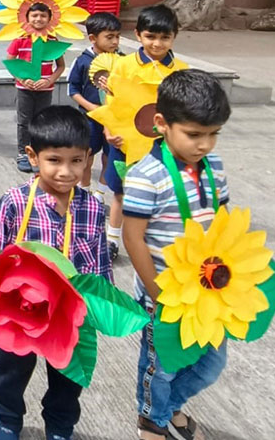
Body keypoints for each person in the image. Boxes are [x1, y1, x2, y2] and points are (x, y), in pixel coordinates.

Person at [0, 106, 112, 440]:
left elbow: (99, 265)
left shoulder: (93, 207)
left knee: (68, 377)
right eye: (54, 160)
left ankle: (60, 426)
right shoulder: (13, 203)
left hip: (70, 313)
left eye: (76, 161)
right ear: (33, 156)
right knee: (10, 371)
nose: (65, 172)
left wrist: (100, 308)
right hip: (21, 311)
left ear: (88, 158)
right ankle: (8, 419)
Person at [122, 70, 231, 440]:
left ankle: (166, 407)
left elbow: (224, 220)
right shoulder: (146, 175)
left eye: (214, 134)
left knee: (211, 363)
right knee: (162, 364)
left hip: (208, 291)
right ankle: (151, 419)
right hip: (165, 292)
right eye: (194, 134)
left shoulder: (214, 167)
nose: (205, 145)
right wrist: (158, 294)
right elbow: (133, 238)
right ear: (161, 124)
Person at [99, 5, 188, 263]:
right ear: (138, 34)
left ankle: (155, 241)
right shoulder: (123, 66)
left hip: (164, 147)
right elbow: (110, 102)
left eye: (165, 37)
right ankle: (112, 239)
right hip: (125, 143)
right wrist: (108, 131)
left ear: (174, 36)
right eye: (150, 36)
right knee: (120, 192)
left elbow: (185, 108)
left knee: (161, 193)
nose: (157, 43)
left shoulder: (180, 70)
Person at [66, 12, 121, 205]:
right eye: (109, 37)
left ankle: (100, 194)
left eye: (117, 36)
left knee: (110, 156)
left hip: (114, 120)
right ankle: (83, 190)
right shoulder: (82, 61)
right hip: (88, 119)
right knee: (86, 156)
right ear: (92, 38)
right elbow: (73, 90)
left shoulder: (123, 61)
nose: (115, 42)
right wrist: (92, 107)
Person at [6, 3, 66, 173]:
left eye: (43, 16)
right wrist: (21, 79)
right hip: (24, 89)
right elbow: (10, 63)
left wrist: (49, 80)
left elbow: (61, 66)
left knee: (41, 122)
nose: (38, 19)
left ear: (49, 19)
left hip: (45, 90)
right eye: (34, 15)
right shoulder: (20, 39)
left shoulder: (52, 41)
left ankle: (39, 152)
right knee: (24, 121)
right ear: (27, 18)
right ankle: (23, 153)